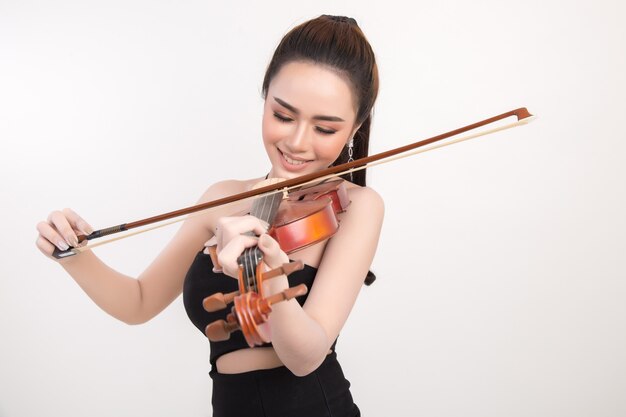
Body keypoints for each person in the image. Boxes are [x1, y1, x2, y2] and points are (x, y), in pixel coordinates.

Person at [35, 14, 383, 417]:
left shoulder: (357, 206)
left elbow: (304, 357)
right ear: (265, 96)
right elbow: (139, 301)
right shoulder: (222, 198)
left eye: (324, 129)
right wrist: (73, 254)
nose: (297, 142)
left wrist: (266, 275)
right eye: (283, 116)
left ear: (355, 126)